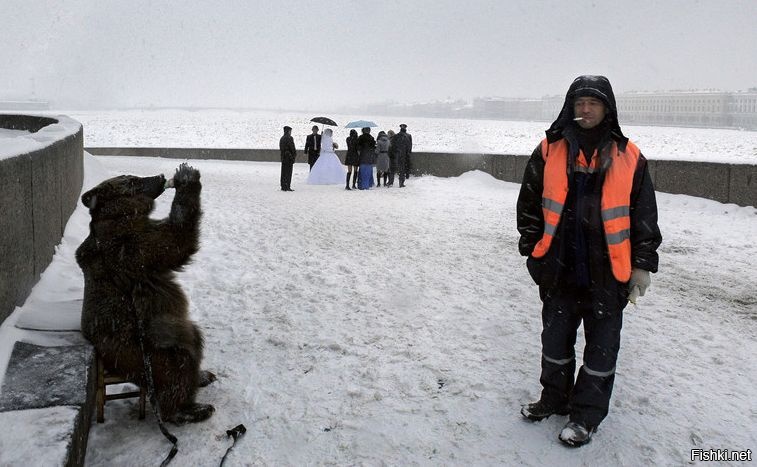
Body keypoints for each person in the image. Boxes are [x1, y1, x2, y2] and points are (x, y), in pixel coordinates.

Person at [516, 75, 662, 447]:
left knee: (601, 351)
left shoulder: (630, 156)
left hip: (608, 274)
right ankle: (554, 398)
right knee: (555, 342)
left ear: (607, 109)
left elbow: (644, 214)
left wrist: (642, 264)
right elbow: (530, 203)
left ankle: (586, 415)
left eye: (593, 103)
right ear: (570, 106)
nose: (585, 109)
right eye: (580, 102)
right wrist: (532, 251)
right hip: (559, 268)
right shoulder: (549, 148)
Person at [279, 125, 296, 191]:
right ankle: (287, 186)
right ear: (288, 131)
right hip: (289, 158)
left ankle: (283, 186)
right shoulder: (290, 138)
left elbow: (281, 148)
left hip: (283, 158)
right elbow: (292, 148)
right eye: (290, 131)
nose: (291, 132)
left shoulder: (282, 138)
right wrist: (293, 155)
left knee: (283, 172)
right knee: (288, 173)